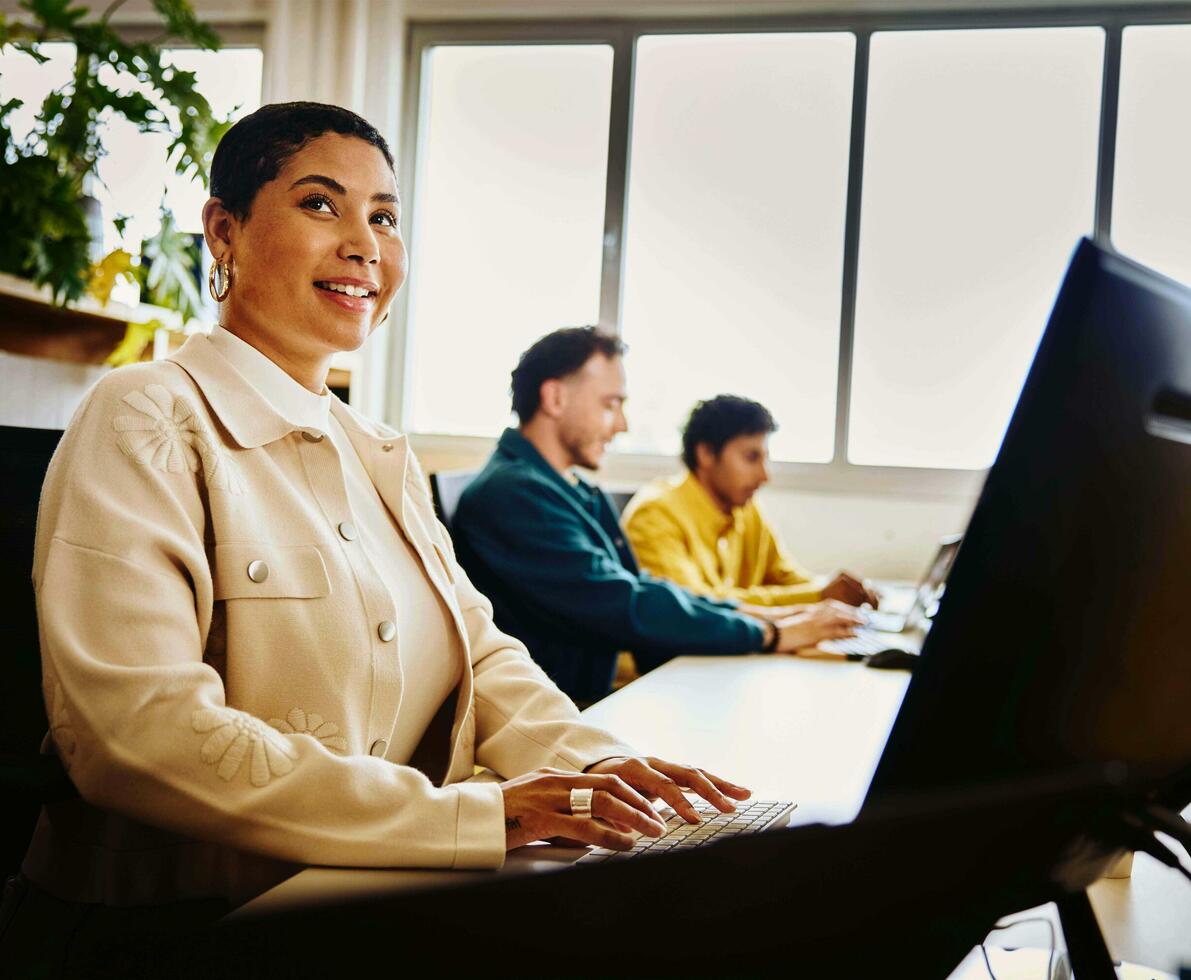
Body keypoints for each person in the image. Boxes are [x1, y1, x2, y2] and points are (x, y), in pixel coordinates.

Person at [0, 103, 753, 973]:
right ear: (224, 230)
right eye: (321, 205)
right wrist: (477, 816)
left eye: (385, 217)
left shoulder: (379, 454)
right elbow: (135, 733)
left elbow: (484, 658)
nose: (365, 244)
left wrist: (612, 780)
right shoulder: (144, 413)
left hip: (356, 900)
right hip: (168, 933)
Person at [450, 328, 861, 705]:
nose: (623, 424)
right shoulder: (515, 493)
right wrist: (772, 634)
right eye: (611, 405)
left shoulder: (568, 489)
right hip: (562, 715)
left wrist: (770, 617)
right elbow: (624, 603)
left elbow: (640, 586)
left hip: (588, 704)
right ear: (555, 398)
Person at [623, 395, 879, 609]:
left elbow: (785, 576)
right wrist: (817, 596)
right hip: (667, 666)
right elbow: (698, 607)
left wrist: (835, 592)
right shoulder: (655, 514)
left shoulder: (745, 509)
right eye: (751, 458)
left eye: (764, 459)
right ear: (706, 454)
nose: (764, 476)